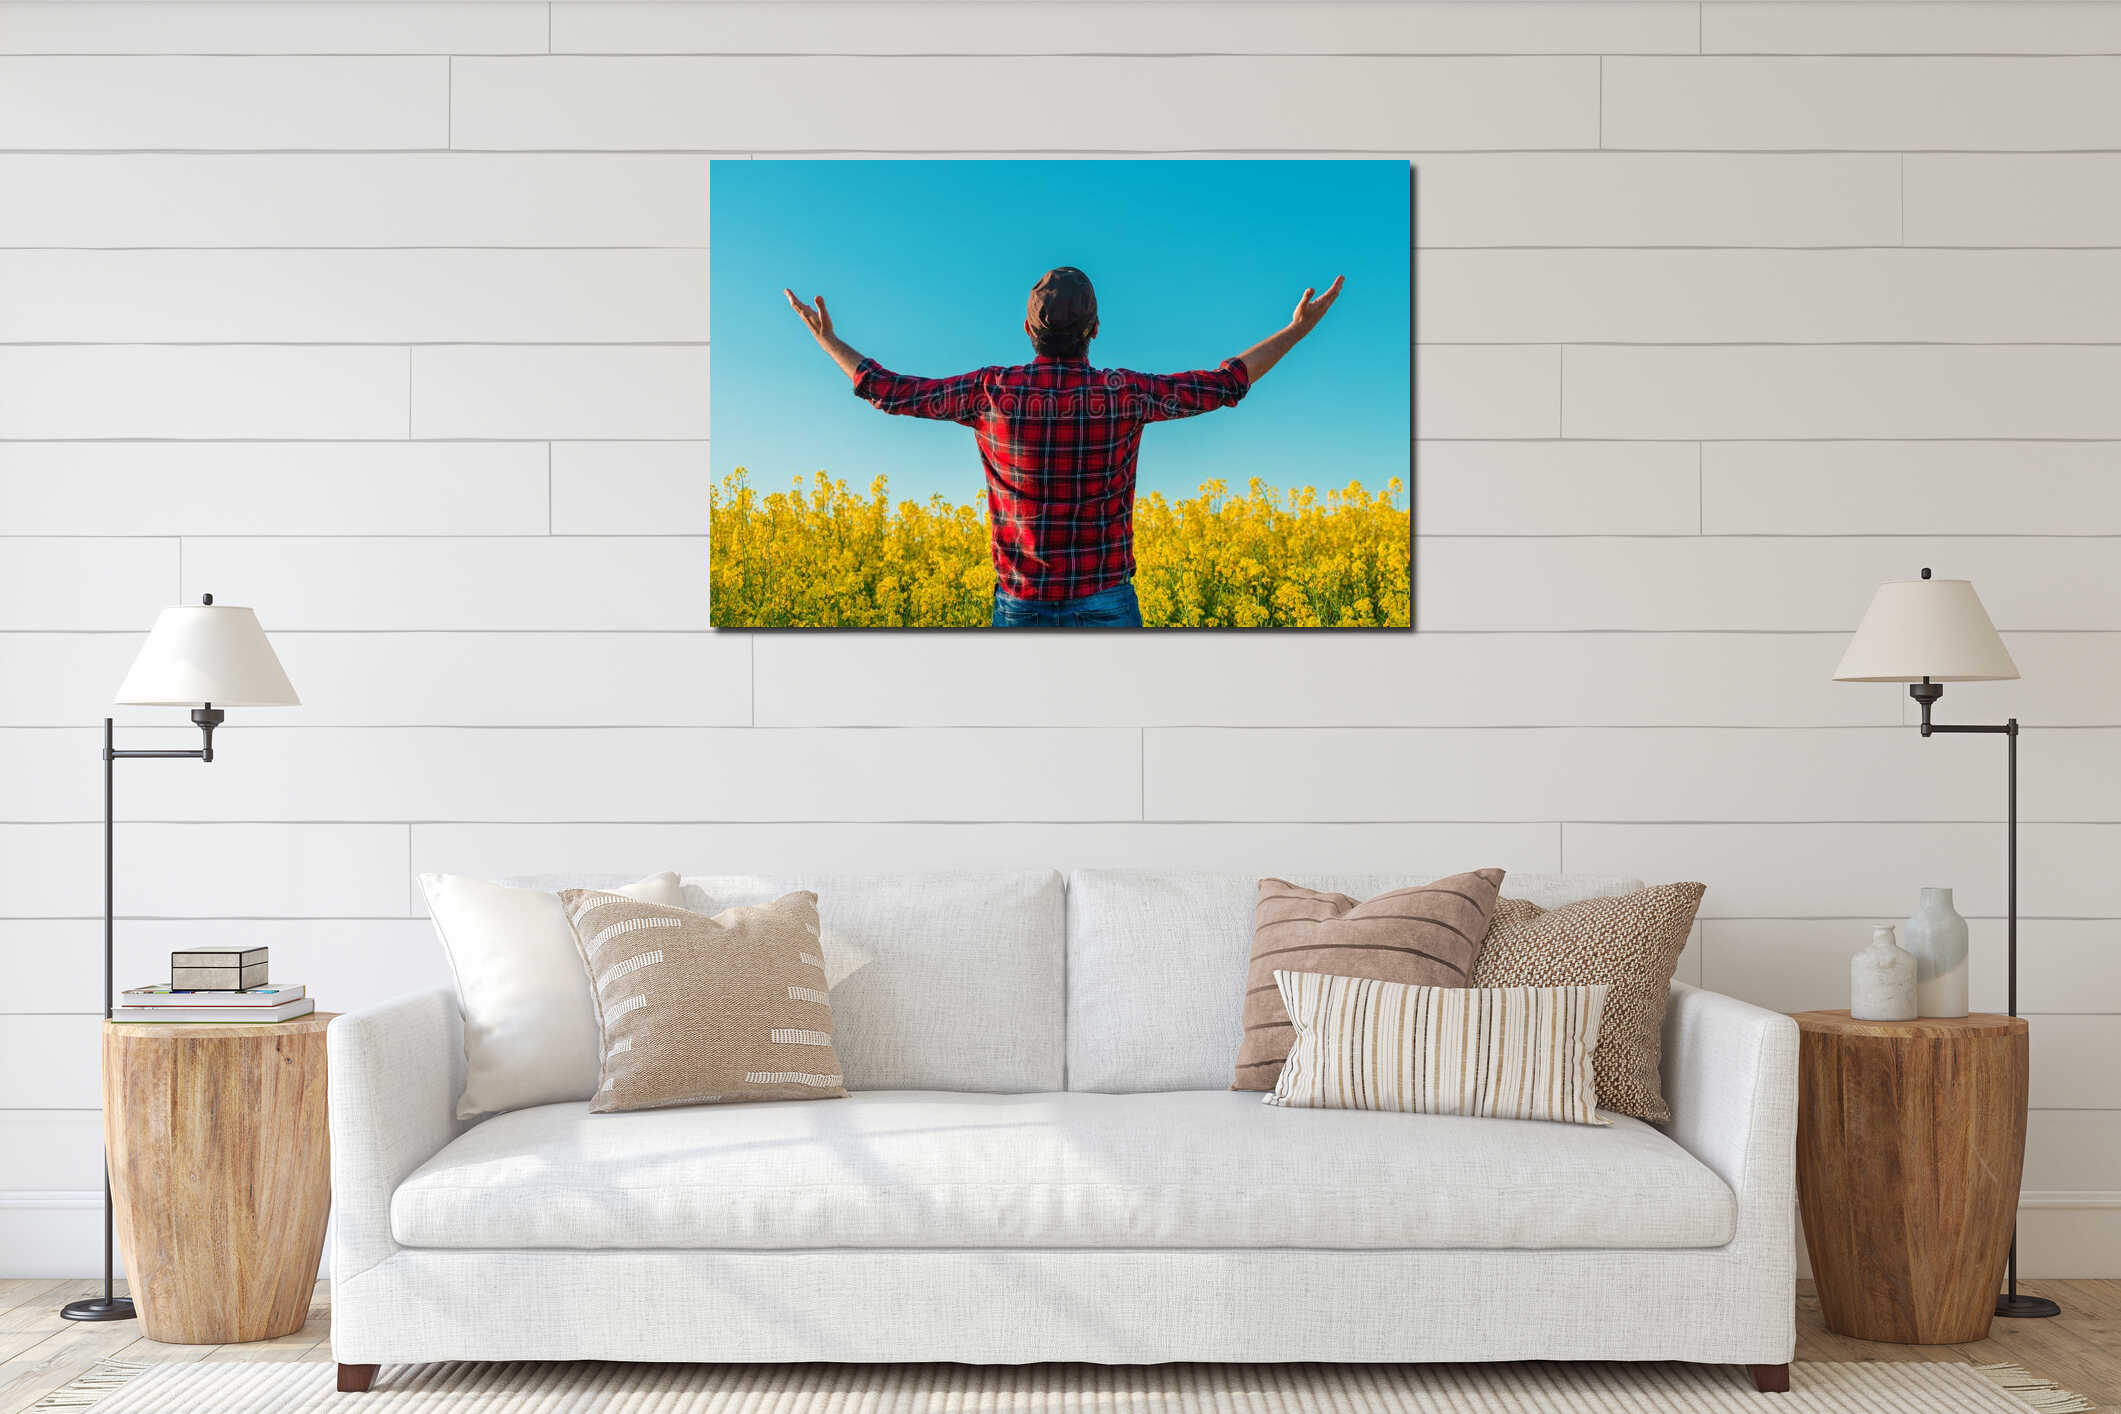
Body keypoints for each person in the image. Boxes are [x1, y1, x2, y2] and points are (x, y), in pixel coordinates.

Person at [785, 266, 1343, 628]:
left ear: (1028, 331)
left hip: (1020, 604)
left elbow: (890, 392)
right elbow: (1225, 383)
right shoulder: (1125, 394)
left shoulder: (991, 392)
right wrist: (1296, 330)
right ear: (1094, 330)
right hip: (1107, 602)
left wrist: (827, 339)